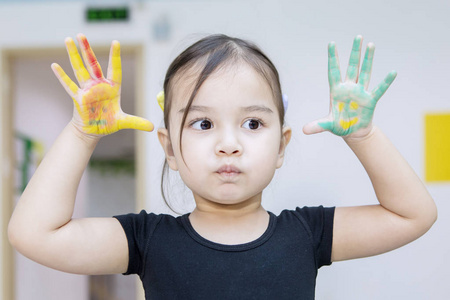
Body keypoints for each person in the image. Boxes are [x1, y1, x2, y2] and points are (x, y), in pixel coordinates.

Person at [8, 33, 437, 299]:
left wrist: (363, 135)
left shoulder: (308, 234)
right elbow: (33, 234)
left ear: (281, 146)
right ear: (170, 151)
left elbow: (413, 214)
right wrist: (83, 133)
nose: (228, 144)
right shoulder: (147, 241)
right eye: (203, 123)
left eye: (252, 123)